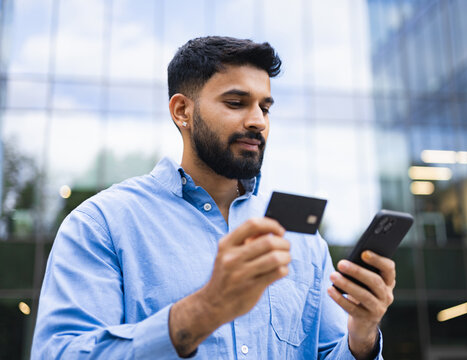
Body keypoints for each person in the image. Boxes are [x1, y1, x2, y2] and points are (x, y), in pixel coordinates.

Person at [31, 36, 396, 359]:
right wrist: (205, 309)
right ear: (182, 111)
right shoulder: (102, 224)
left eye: (265, 108)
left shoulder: (300, 238)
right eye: (236, 102)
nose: (258, 121)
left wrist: (361, 339)